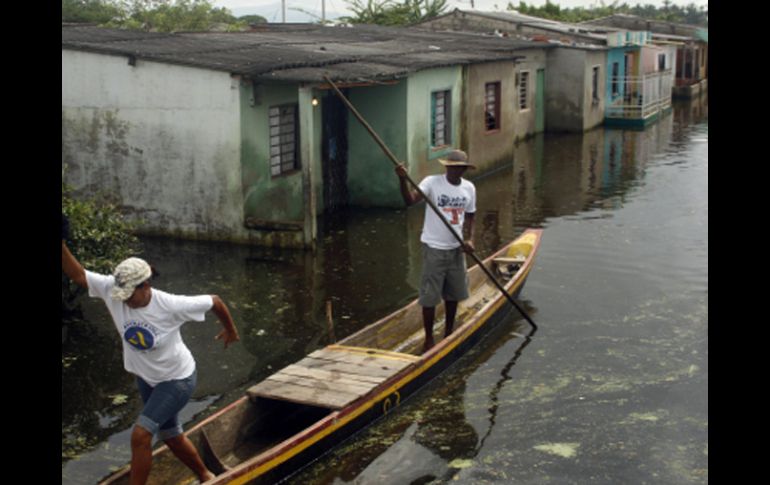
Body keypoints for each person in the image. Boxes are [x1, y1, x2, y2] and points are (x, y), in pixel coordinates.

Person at [61, 215, 239, 485]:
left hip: (176, 379)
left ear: (146, 285)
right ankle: (206, 475)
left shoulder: (170, 304)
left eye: (130, 296)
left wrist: (231, 330)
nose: (125, 302)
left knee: (140, 435)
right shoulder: (113, 289)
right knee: (170, 435)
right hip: (146, 378)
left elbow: (215, 301)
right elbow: (77, 274)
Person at [395, 149, 476, 353]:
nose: (455, 171)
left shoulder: (469, 188)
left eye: (460, 168)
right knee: (430, 297)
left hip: (456, 249)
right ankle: (429, 339)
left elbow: (470, 216)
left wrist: (469, 239)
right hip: (434, 248)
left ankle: (449, 332)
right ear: (446, 167)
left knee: (453, 294)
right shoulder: (432, 183)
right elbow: (410, 201)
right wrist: (403, 180)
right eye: (452, 167)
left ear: (464, 169)